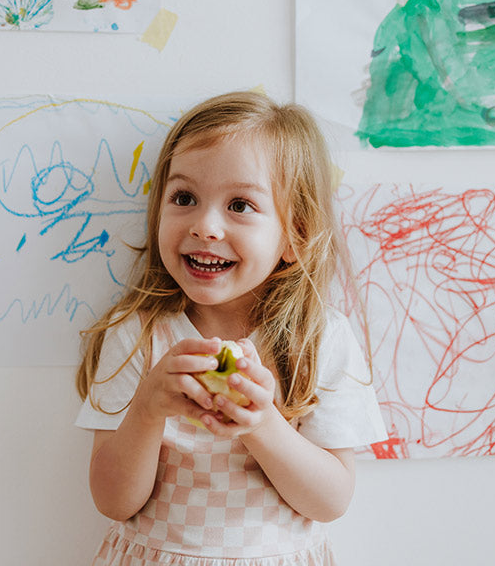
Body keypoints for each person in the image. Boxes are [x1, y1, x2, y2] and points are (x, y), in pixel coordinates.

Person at [74, 91, 387, 565]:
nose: (206, 226)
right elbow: (113, 501)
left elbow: (331, 501)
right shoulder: (136, 336)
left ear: (295, 236)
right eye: (184, 198)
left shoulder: (319, 339)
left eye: (240, 205)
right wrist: (147, 408)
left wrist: (263, 424)